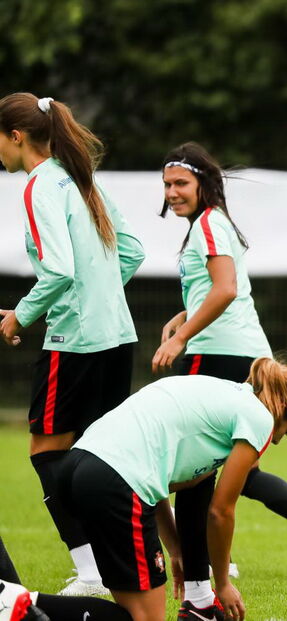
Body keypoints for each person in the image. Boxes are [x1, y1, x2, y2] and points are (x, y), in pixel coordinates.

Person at [153, 143, 287, 618]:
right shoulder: (210, 223)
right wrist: (182, 317)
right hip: (234, 348)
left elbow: (226, 289)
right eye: (167, 185)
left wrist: (182, 338)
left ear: (203, 184)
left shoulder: (210, 223)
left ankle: (199, 592)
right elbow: (216, 288)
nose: (172, 192)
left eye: (180, 183)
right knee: (233, 470)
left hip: (219, 353)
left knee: (195, 475)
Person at [0, 356, 287, 621]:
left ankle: (20, 603)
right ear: (283, 407)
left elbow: (159, 476)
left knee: (131, 609)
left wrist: (175, 548)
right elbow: (220, 512)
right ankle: (20, 603)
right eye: (286, 431)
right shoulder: (258, 417)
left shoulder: (215, 393)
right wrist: (221, 583)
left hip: (78, 467)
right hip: (116, 482)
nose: (276, 440)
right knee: (146, 619)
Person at [0, 93, 145, 596]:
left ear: (16, 137)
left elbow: (58, 270)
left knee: (46, 452)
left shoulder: (40, 185)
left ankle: (92, 573)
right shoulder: (80, 176)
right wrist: (102, 294)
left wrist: (20, 313)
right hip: (116, 335)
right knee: (108, 454)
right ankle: (129, 563)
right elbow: (132, 250)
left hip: (76, 342)